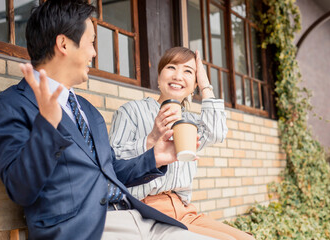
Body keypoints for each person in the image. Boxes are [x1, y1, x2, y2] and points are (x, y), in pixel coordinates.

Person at [0, 1, 218, 240]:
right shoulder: (8, 106)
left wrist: (154, 157)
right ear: (64, 44)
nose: (95, 53)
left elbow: (109, 170)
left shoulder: (88, 110)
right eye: (92, 42)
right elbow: (20, 189)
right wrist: (47, 125)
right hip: (83, 229)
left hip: (139, 219)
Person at [109, 47, 255, 240]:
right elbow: (112, 163)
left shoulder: (190, 121)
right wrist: (151, 138)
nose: (178, 76)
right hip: (146, 209)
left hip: (184, 209)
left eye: (188, 71)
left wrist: (204, 83)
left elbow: (217, 132)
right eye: (171, 67)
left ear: (193, 85)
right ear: (159, 77)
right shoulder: (132, 111)